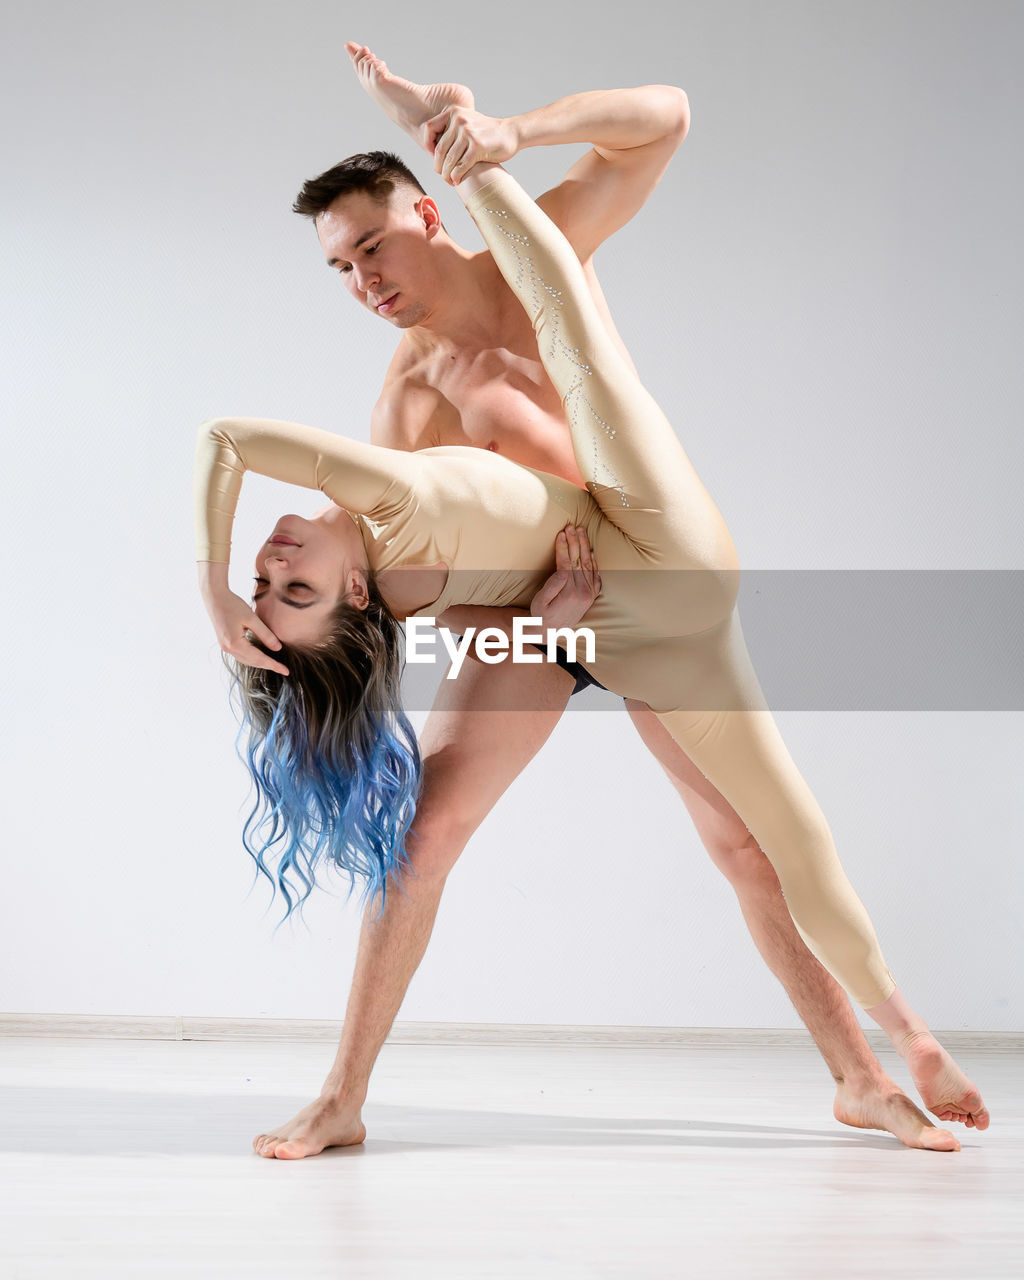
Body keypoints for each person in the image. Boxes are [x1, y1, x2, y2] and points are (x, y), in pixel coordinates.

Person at [198, 46, 989, 1158]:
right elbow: (423, 598)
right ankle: (342, 1096)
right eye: (338, 268)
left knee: (745, 846)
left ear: (427, 212)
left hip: (648, 591)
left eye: (370, 246)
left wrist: (512, 130)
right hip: (539, 623)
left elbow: (662, 116)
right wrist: (538, 620)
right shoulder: (410, 398)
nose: (362, 280)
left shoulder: (543, 250)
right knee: (424, 838)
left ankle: (861, 1078)